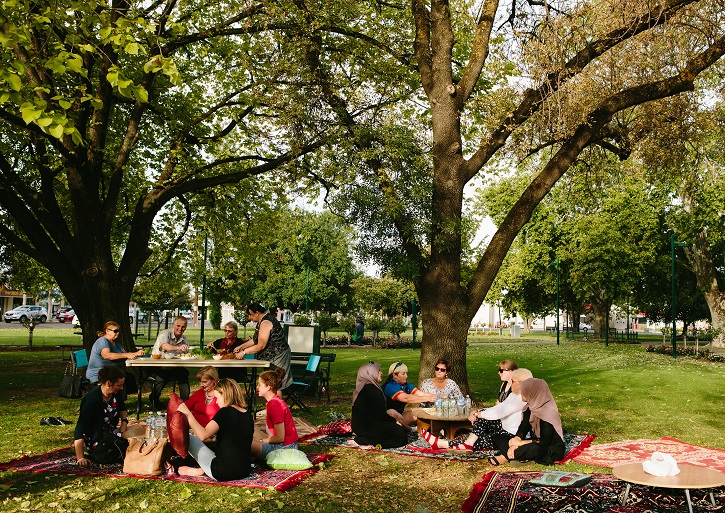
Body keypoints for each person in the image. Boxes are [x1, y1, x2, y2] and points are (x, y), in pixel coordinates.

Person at [420, 366, 531, 451]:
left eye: (513, 381)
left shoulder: (522, 398)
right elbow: (500, 407)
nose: (511, 383)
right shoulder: (514, 395)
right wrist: (480, 411)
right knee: (477, 430)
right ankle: (464, 444)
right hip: (502, 425)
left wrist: (479, 414)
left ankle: (444, 444)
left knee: (481, 437)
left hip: (511, 433)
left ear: (521, 383)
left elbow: (500, 412)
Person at [176, 378, 254, 481]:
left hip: (222, 472)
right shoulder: (248, 415)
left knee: (187, 437)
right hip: (244, 470)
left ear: (225, 395)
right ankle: (202, 469)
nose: (216, 402)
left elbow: (203, 435)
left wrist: (188, 414)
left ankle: (178, 463)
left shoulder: (225, 412)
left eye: (217, 397)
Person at [490, 377, 566, 465]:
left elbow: (545, 441)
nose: (521, 392)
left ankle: (505, 457)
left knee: (534, 448)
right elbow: (523, 428)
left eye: (524, 390)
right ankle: (520, 456)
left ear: (533, 392)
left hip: (548, 448)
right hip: (532, 441)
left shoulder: (547, 412)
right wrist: (516, 440)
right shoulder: (529, 408)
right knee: (498, 437)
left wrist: (520, 443)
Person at [73, 365, 130, 466]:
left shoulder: (115, 394)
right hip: (95, 438)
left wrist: (124, 422)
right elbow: (79, 429)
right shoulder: (92, 399)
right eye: (119, 385)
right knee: (123, 449)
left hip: (110, 432)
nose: (121, 388)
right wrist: (80, 457)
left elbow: (122, 408)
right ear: (109, 383)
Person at [234, 303, 293, 390]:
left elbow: (261, 345)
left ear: (257, 312)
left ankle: (276, 403)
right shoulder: (261, 321)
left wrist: (244, 352)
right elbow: (255, 340)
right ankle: (271, 402)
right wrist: (241, 347)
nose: (249, 318)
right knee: (270, 382)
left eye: (251, 315)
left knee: (276, 384)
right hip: (271, 357)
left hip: (278, 356)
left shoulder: (266, 322)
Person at [351, 362, 408, 448]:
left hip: (358, 427)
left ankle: (365, 439)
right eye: (378, 371)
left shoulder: (361, 388)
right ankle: (364, 441)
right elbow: (381, 415)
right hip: (367, 427)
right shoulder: (373, 391)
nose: (381, 373)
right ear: (370, 373)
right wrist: (394, 421)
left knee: (395, 429)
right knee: (401, 435)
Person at [86, 321, 144, 397]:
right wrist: (127, 355)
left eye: (118, 331)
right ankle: (114, 402)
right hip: (101, 373)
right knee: (123, 379)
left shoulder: (116, 342)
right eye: (115, 331)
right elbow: (107, 355)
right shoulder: (102, 341)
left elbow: (124, 354)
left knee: (129, 377)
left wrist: (135, 354)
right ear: (107, 331)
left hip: (113, 372)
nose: (118, 333)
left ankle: (118, 402)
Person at [250, 368, 299, 459]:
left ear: (268, 387)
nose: (257, 387)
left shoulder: (275, 405)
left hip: (284, 449)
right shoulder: (273, 402)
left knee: (244, 441)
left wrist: (261, 440)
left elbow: (280, 438)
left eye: (259, 385)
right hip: (284, 445)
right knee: (249, 430)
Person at [148, 316, 191, 409]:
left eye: (183, 327)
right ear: (173, 325)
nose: (180, 329)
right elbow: (164, 346)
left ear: (186, 327)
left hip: (174, 366)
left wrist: (186, 353)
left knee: (184, 373)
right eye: (178, 326)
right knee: (162, 375)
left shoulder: (184, 339)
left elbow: (186, 355)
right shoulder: (165, 333)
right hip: (158, 365)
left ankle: (185, 403)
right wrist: (178, 347)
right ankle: (154, 398)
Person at [383, 361, 437, 430]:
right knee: (392, 412)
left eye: (406, 373)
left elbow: (420, 394)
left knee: (420, 411)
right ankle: (411, 429)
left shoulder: (406, 385)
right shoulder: (390, 386)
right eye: (403, 374)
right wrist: (427, 398)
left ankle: (435, 427)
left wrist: (438, 396)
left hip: (400, 416)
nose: (406, 376)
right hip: (387, 418)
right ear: (394, 375)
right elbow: (406, 398)